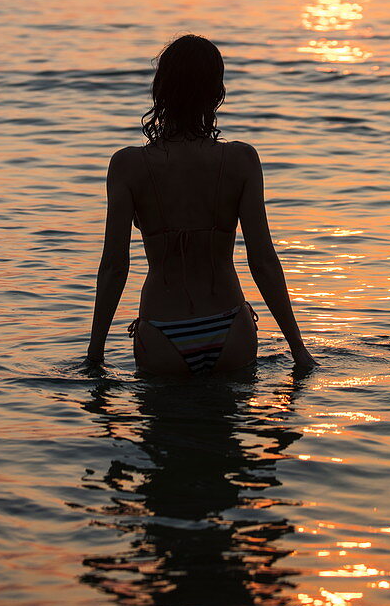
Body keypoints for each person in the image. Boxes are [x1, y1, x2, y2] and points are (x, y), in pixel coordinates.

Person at [86, 34, 316, 375]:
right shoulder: (241, 160)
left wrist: (94, 354)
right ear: (217, 93)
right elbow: (263, 260)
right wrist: (299, 351)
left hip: (163, 330)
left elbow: (115, 267)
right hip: (230, 328)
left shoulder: (127, 165)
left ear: (160, 89)